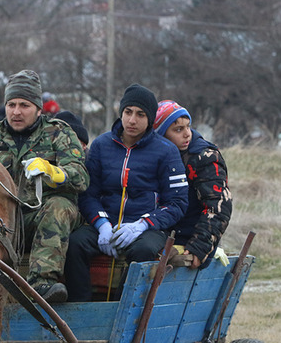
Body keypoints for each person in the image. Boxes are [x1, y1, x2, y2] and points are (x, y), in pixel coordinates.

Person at [64, 84, 188, 302]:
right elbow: (88, 194)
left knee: (144, 251)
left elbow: (177, 203)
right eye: (128, 112)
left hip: (146, 227)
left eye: (140, 114)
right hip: (106, 224)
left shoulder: (166, 151)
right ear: (121, 113)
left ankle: (122, 310)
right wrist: (101, 224)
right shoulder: (102, 145)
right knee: (75, 244)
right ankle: (79, 309)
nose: (132, 120)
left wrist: (143, 224)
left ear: (150, 119)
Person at [0, 70, 88, 303]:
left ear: (39, 109)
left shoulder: (59, 133)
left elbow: (81, 177)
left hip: (43, 215)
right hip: (4, 219)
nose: (16, 112)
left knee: (58, 205)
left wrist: (53, 172)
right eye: (11, 104)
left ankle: (43, 282)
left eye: (24, 105)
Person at [153, 100, 233, 269]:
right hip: (161, 232)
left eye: (188, 127)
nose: (187, 134)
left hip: (190, 237)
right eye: (178, 130)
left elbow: (218, 206)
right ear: (161, 135)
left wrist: (199, 246)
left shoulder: (203, 158)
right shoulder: (153, 156)